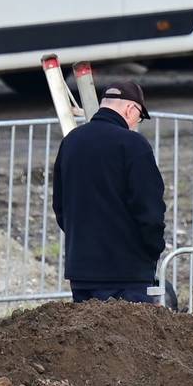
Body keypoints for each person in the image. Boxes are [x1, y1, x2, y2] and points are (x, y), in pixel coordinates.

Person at [49, 77, 169, 303]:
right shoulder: (133, 145)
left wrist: (82, 238)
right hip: (127, 273)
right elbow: (149, 208)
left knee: (88, 337)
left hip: (82, 270)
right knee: (130, 336)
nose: (136, 124)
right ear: (131, 109)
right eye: (139, 117)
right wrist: (153, 249)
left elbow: (60, 205)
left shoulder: (71, 142)